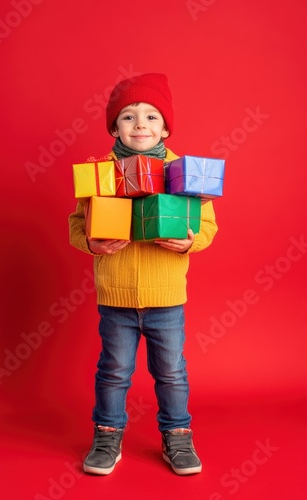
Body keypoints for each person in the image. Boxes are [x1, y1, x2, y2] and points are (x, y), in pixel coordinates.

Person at [68, 73, 218, 476]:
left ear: (166, 127)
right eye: (129, 117)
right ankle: (106, 435)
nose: (140, 125)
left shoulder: (184, 172)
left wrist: (191, 242)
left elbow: (206, 225)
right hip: (115, 295)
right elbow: (77, 224)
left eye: (151, 117)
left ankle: (177, 436)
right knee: (113, 371)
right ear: (114, 127)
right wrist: (91, 244)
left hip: (166, 296)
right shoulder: (99, 170)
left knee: (171, 372)